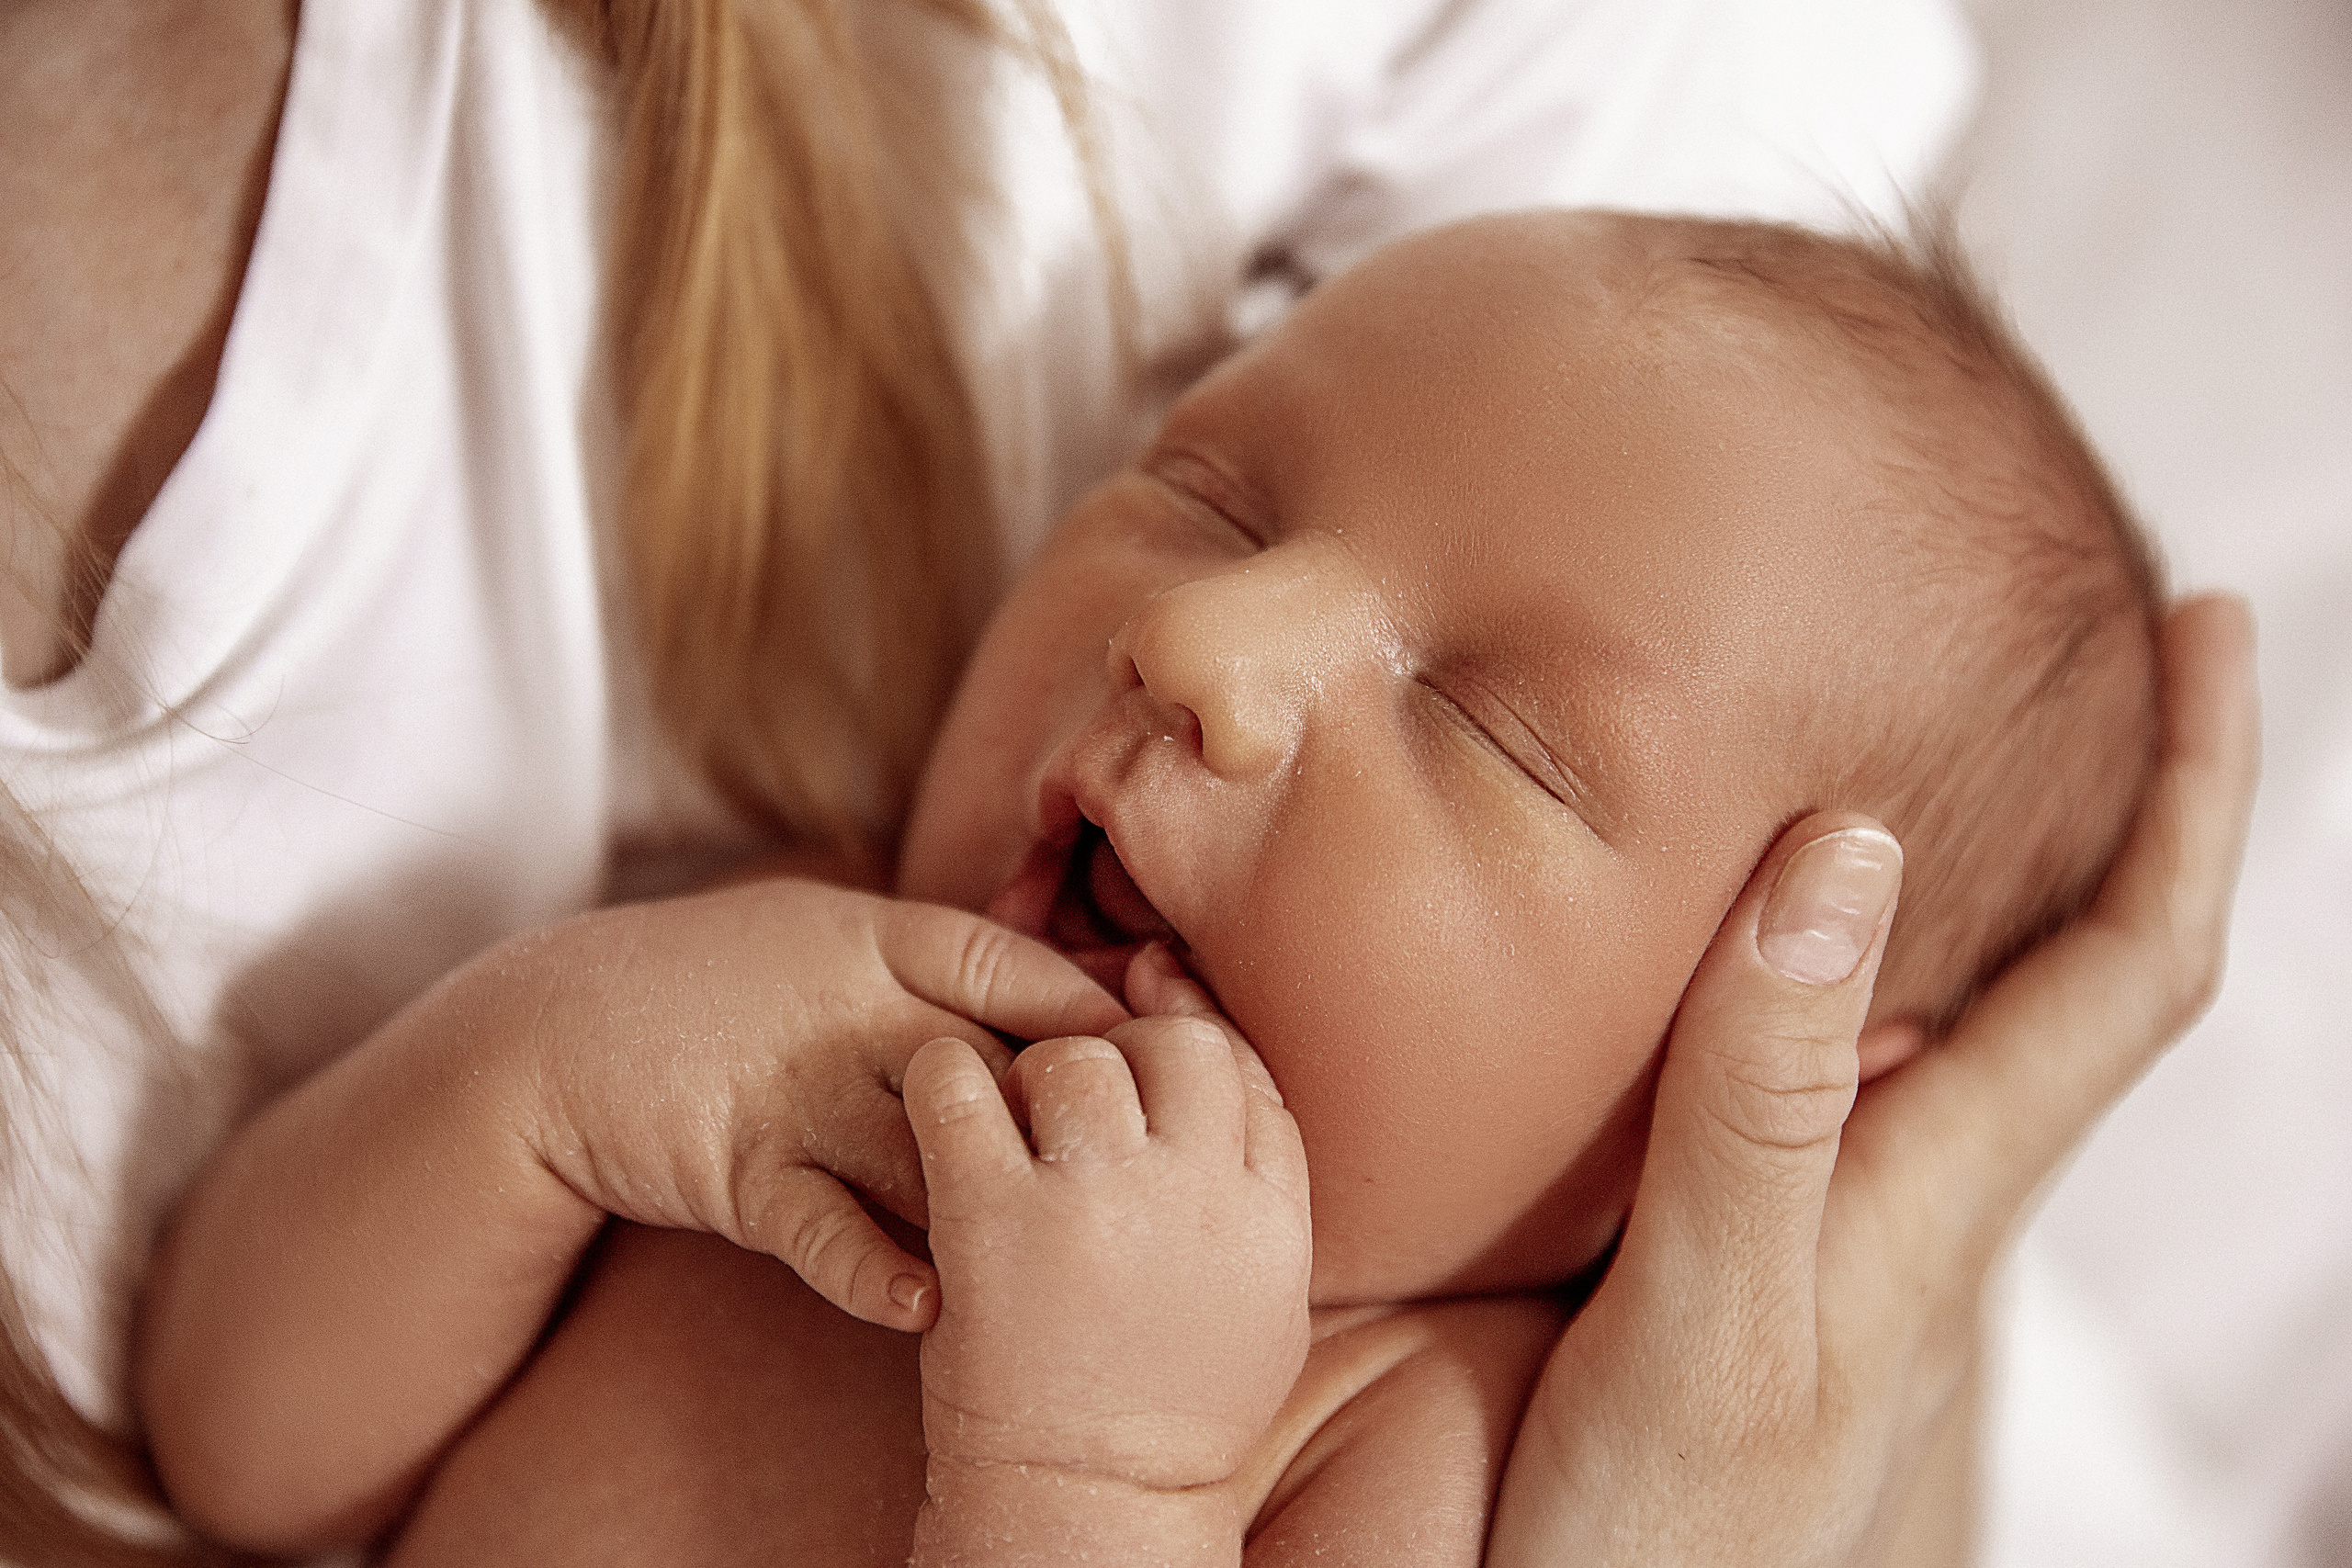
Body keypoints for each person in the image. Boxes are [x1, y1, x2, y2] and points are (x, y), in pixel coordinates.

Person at [0, 1, 2255, 1563]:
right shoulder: (792, 1002)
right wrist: (548, 1080)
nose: (1198, 644)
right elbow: (247, 1446)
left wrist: (1087, 1486)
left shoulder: (1415, 1437)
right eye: (1207, 494)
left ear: (1748, 1092)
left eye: (1483, 726)